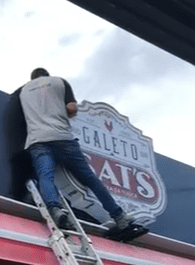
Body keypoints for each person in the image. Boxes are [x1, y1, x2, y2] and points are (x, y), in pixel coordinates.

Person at [16, 67, 147, 239]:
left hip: (37, 140)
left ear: (32, 78)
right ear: (47, 75)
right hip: (63, 138)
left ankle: (55, 210)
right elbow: (71, 108)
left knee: (45, 176)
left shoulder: (23, 91)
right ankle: (119, 217)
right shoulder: (59, 82)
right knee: (89, 178)